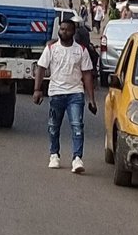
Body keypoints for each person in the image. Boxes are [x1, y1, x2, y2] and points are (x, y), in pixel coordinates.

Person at [32, 19, 97, 173]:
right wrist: (37, 89)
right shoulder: (51, 48)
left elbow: (87, 75)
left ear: (73, 32)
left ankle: (77, 159)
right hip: (56, 93)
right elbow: (41, 68)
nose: (64, 32)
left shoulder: (81, 50)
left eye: (67, 30)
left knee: (77, 126)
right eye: (61, 29)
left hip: (75, 94)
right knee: (53, 127)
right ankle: (54, 155)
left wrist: (91, 99)